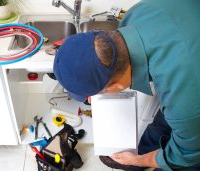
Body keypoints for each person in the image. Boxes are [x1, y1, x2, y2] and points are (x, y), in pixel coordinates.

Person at [53, 0, 200, 170]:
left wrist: (139, 161)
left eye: (93, 95)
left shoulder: (183, 101)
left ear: (113, 86)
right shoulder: (136, 14)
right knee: (164, 122)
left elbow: (186, 154)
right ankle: (140, 152)